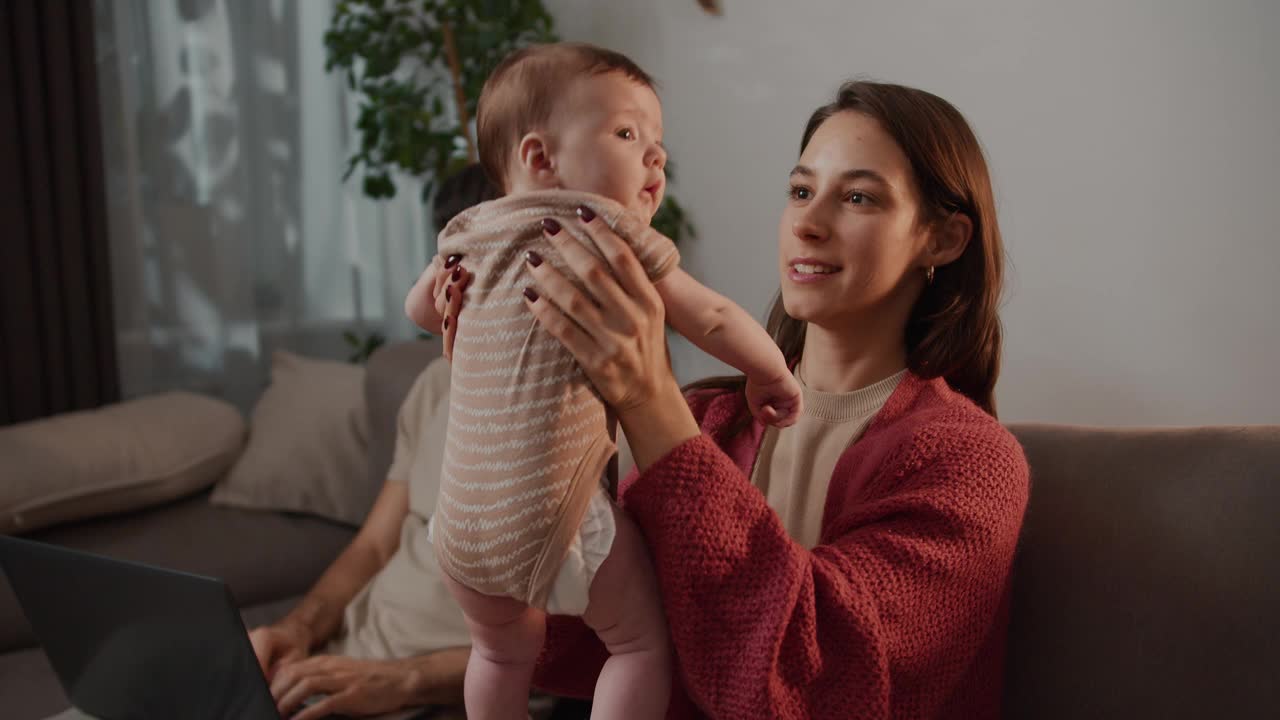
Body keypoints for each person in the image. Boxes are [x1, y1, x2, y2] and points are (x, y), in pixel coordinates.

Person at [440, 79, 1032, 718]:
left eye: (857, 197)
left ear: (942, 240)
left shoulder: (974, 465)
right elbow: (568, 649)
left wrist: (648, 398)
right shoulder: (710, 422)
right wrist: (510, 390)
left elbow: (806, 685)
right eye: (801, 192)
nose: (808, 223)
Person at [403, 43, 803, 720]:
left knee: (500, 655)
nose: (655, 157)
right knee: (641, 645)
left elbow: (422, 309)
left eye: (657, 143)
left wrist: (454, 303)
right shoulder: (604, 227)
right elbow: (708, 314)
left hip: (459, 527)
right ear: (540, 159)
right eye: (627, 134)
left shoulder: (468, 231)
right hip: (553, 512)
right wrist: (770, 369)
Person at [244, 165, 498, 720]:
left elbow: (581, 641)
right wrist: (299, 628)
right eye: (446, 260)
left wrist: (404, 682)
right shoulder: (436, 383)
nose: (451, 284)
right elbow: (373, 546)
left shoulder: (598, 410)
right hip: (342, 667)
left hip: (435, 697)